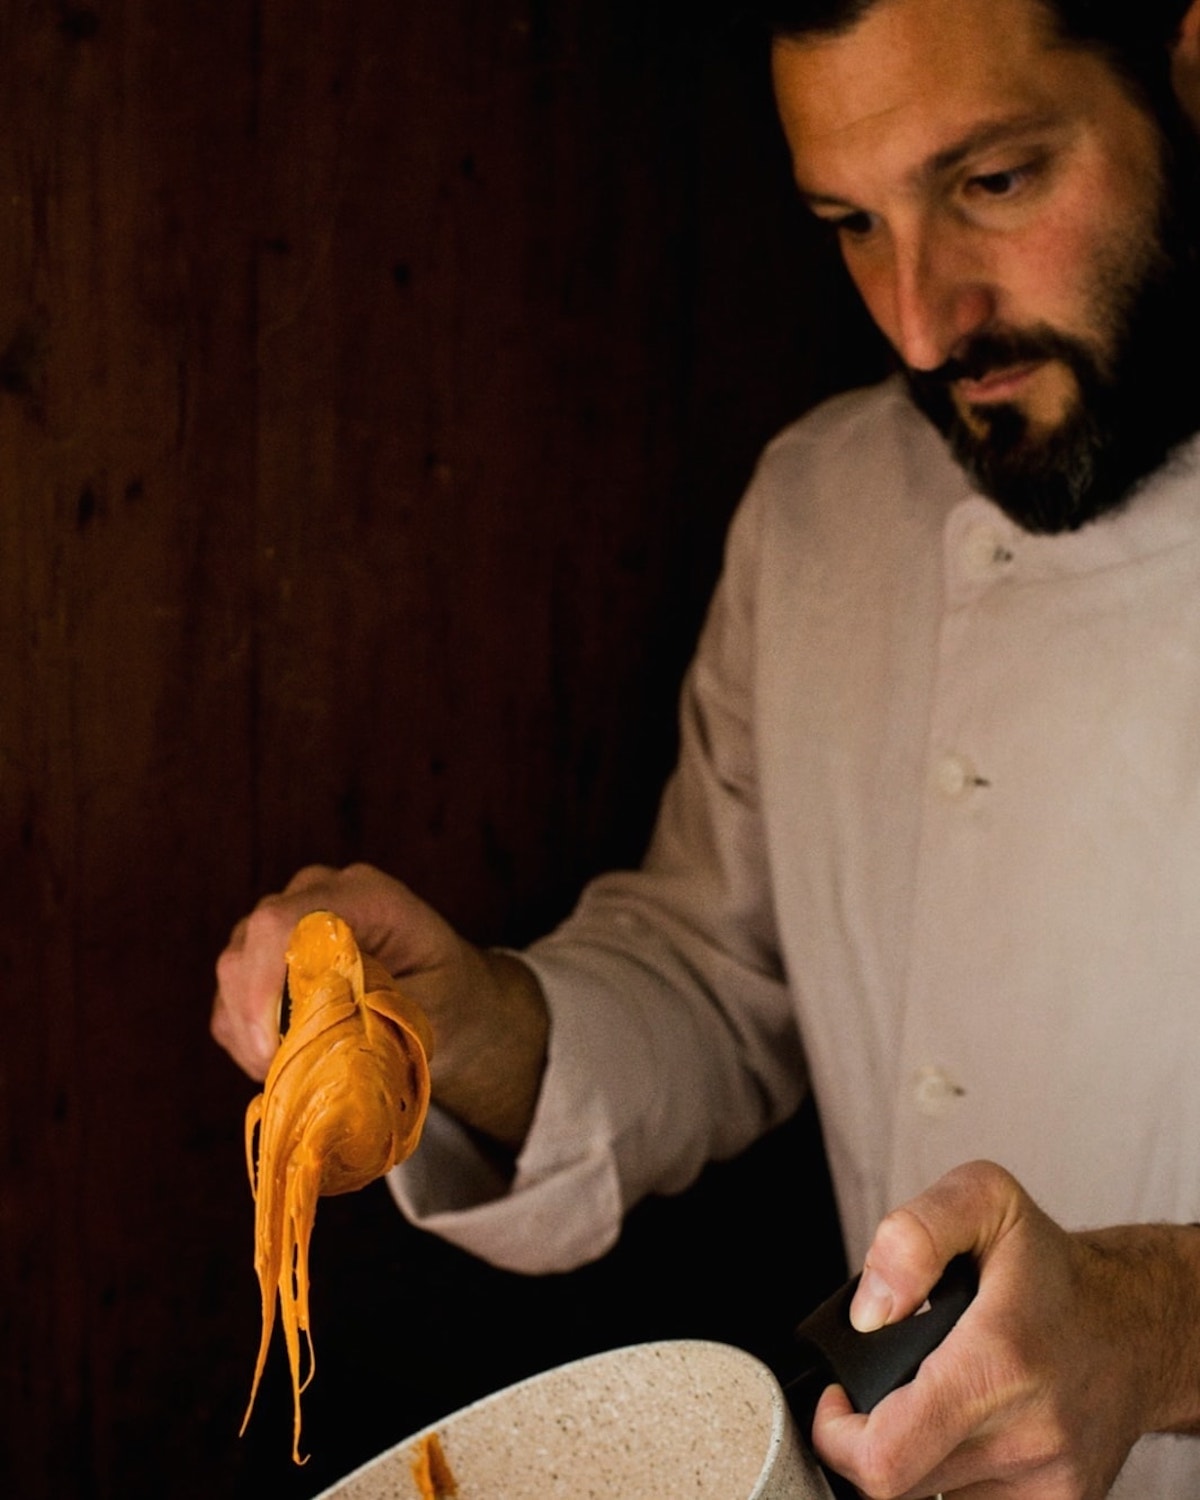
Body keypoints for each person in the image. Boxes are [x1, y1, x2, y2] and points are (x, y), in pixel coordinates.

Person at [213, 0, 1200, 1492]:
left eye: (993, 182)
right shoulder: (821, 507)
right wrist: (474, 1025)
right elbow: (713, 975)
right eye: (850, 223)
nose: (922, 322)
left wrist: (1159, 1325)